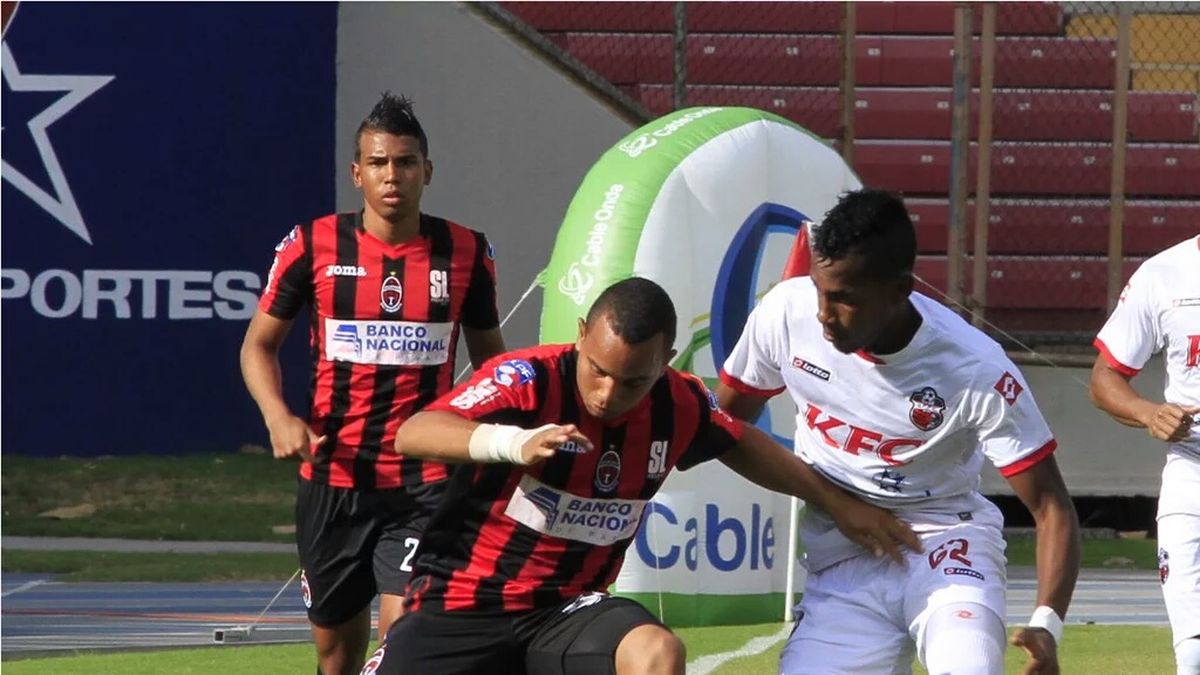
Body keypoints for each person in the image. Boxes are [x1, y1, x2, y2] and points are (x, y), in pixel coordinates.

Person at [363, 276, 921, 675]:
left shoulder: (678, 403)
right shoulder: (528, 379)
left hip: (567, 609)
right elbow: (415, 432)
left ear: (667, 360)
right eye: (598, 371)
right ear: (581, 335)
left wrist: (838, 503)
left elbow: (742, 442)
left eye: (632, 381)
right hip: (464, 606)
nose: (607, 394)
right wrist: (513, 442)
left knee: (655, 652)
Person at [715, 189, 1080, 675]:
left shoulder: (975, 367)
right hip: (840, 560)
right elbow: (723, 427)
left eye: (845, 299)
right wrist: (841, 506)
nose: (823, 313)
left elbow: (1051, 506)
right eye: (820, 290)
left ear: (899, 289)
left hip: (947, 546)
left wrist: (1047, 623)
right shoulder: (786, 312)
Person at [240, 92, 506, 675]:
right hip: (334, 479)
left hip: (426, 482)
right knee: (335, 658)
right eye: (380, 164)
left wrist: (493, 445)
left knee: (404, 642)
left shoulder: (464, 251)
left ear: (427, 171)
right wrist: (278, 417)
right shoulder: (312, 245)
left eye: (406, 162)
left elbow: (492, 366)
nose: (394, 176)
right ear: (357, 174)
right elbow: (258, 345)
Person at [1089, 234, 1200, 675]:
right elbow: (1105, 379)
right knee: (1193, 650)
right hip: (1192, 474)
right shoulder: (1163, 274)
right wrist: (1150, 413)